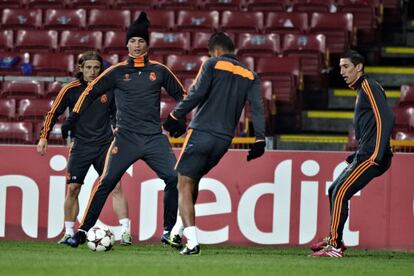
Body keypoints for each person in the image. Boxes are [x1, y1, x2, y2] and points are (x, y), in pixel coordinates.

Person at [62, 12, 185, 248]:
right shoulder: (116, 72)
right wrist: (74, 117)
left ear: (147, 44)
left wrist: (178, 118)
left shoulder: (159, 71)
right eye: (133, 41)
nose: (137, 45)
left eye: (141, 41)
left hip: (153, 138)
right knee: (105, 182)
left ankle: (168, 231)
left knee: (173, 178)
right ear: (126, 44)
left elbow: (183, 96)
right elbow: (89, 92)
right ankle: (82, 231)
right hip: (125, 138)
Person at [163, 32, 266, 255]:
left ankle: (192, 243)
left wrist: (175, 116)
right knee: (193, 180)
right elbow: (257, 107)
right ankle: (177, 232)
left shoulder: (212, 63)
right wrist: (260, 138)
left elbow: (197, 93)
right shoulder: (250, 74)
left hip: (201, 132)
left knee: (183, 183)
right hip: (223, 141)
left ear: (215, 51)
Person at [36, 51, 132, 245]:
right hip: (80, 146)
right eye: (88, 67)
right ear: (80, 68)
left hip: (105, 146)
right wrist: (43, 137)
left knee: (116, 186)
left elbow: (117, 112)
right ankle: (68, 232)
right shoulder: (70, 89)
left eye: (96, 67)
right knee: (73, 189)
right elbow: (53, 113)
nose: (92, 71)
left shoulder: (108, 89)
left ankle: (125, 233)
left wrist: (117, 127)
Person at [310, 50, 395, 258]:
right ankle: (333, 238)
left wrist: (376, 152)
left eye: (346, 66)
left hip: (373, 155)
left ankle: (335, 246)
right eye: (340, 67)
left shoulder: (368, 86)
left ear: (359, 67)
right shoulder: (362, 89)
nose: (341, 71)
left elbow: (387, 117)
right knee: (334, 189)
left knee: (340, 192)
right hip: (365, 153)